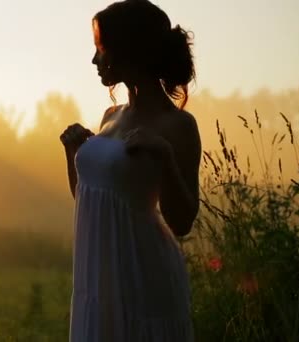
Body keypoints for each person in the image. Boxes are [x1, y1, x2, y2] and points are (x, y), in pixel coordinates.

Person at [59, 0, 201, 340]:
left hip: (144, 279)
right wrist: (72, 152)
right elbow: (89, 197)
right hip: (99, 281)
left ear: (129, 50)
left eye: (101, 49)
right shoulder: (111, 116)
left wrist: (165, 157)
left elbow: (182, 222)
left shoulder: (178, 125)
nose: (94, 60)